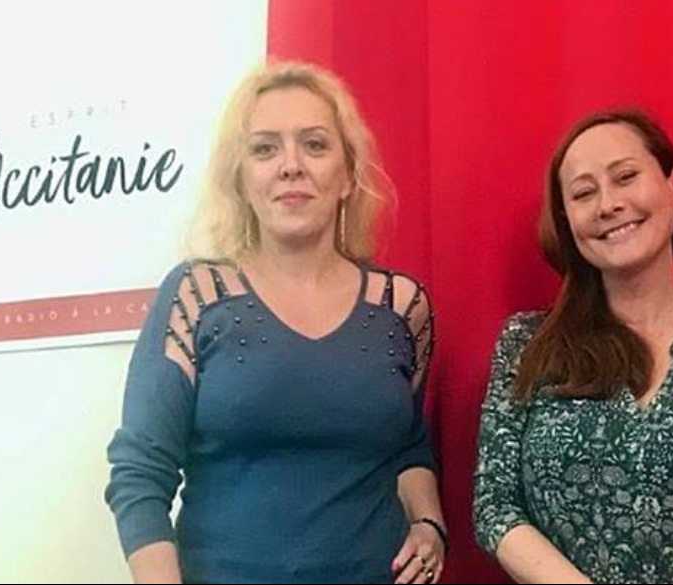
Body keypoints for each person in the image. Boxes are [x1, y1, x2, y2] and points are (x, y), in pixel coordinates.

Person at [105, 61, 447, 584]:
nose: (291, 165)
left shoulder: (401, 306)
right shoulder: (195, 297)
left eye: (315, 145)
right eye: (265, 148)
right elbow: (140, 475)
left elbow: (408, 446)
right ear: (241, 179)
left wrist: (429, 523)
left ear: (348, 174)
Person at [472, 109, 673, 584]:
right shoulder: (527, 345)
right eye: (584, 193)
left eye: (625, 177)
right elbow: (495, 505)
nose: (608, 204)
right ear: (568, 221)